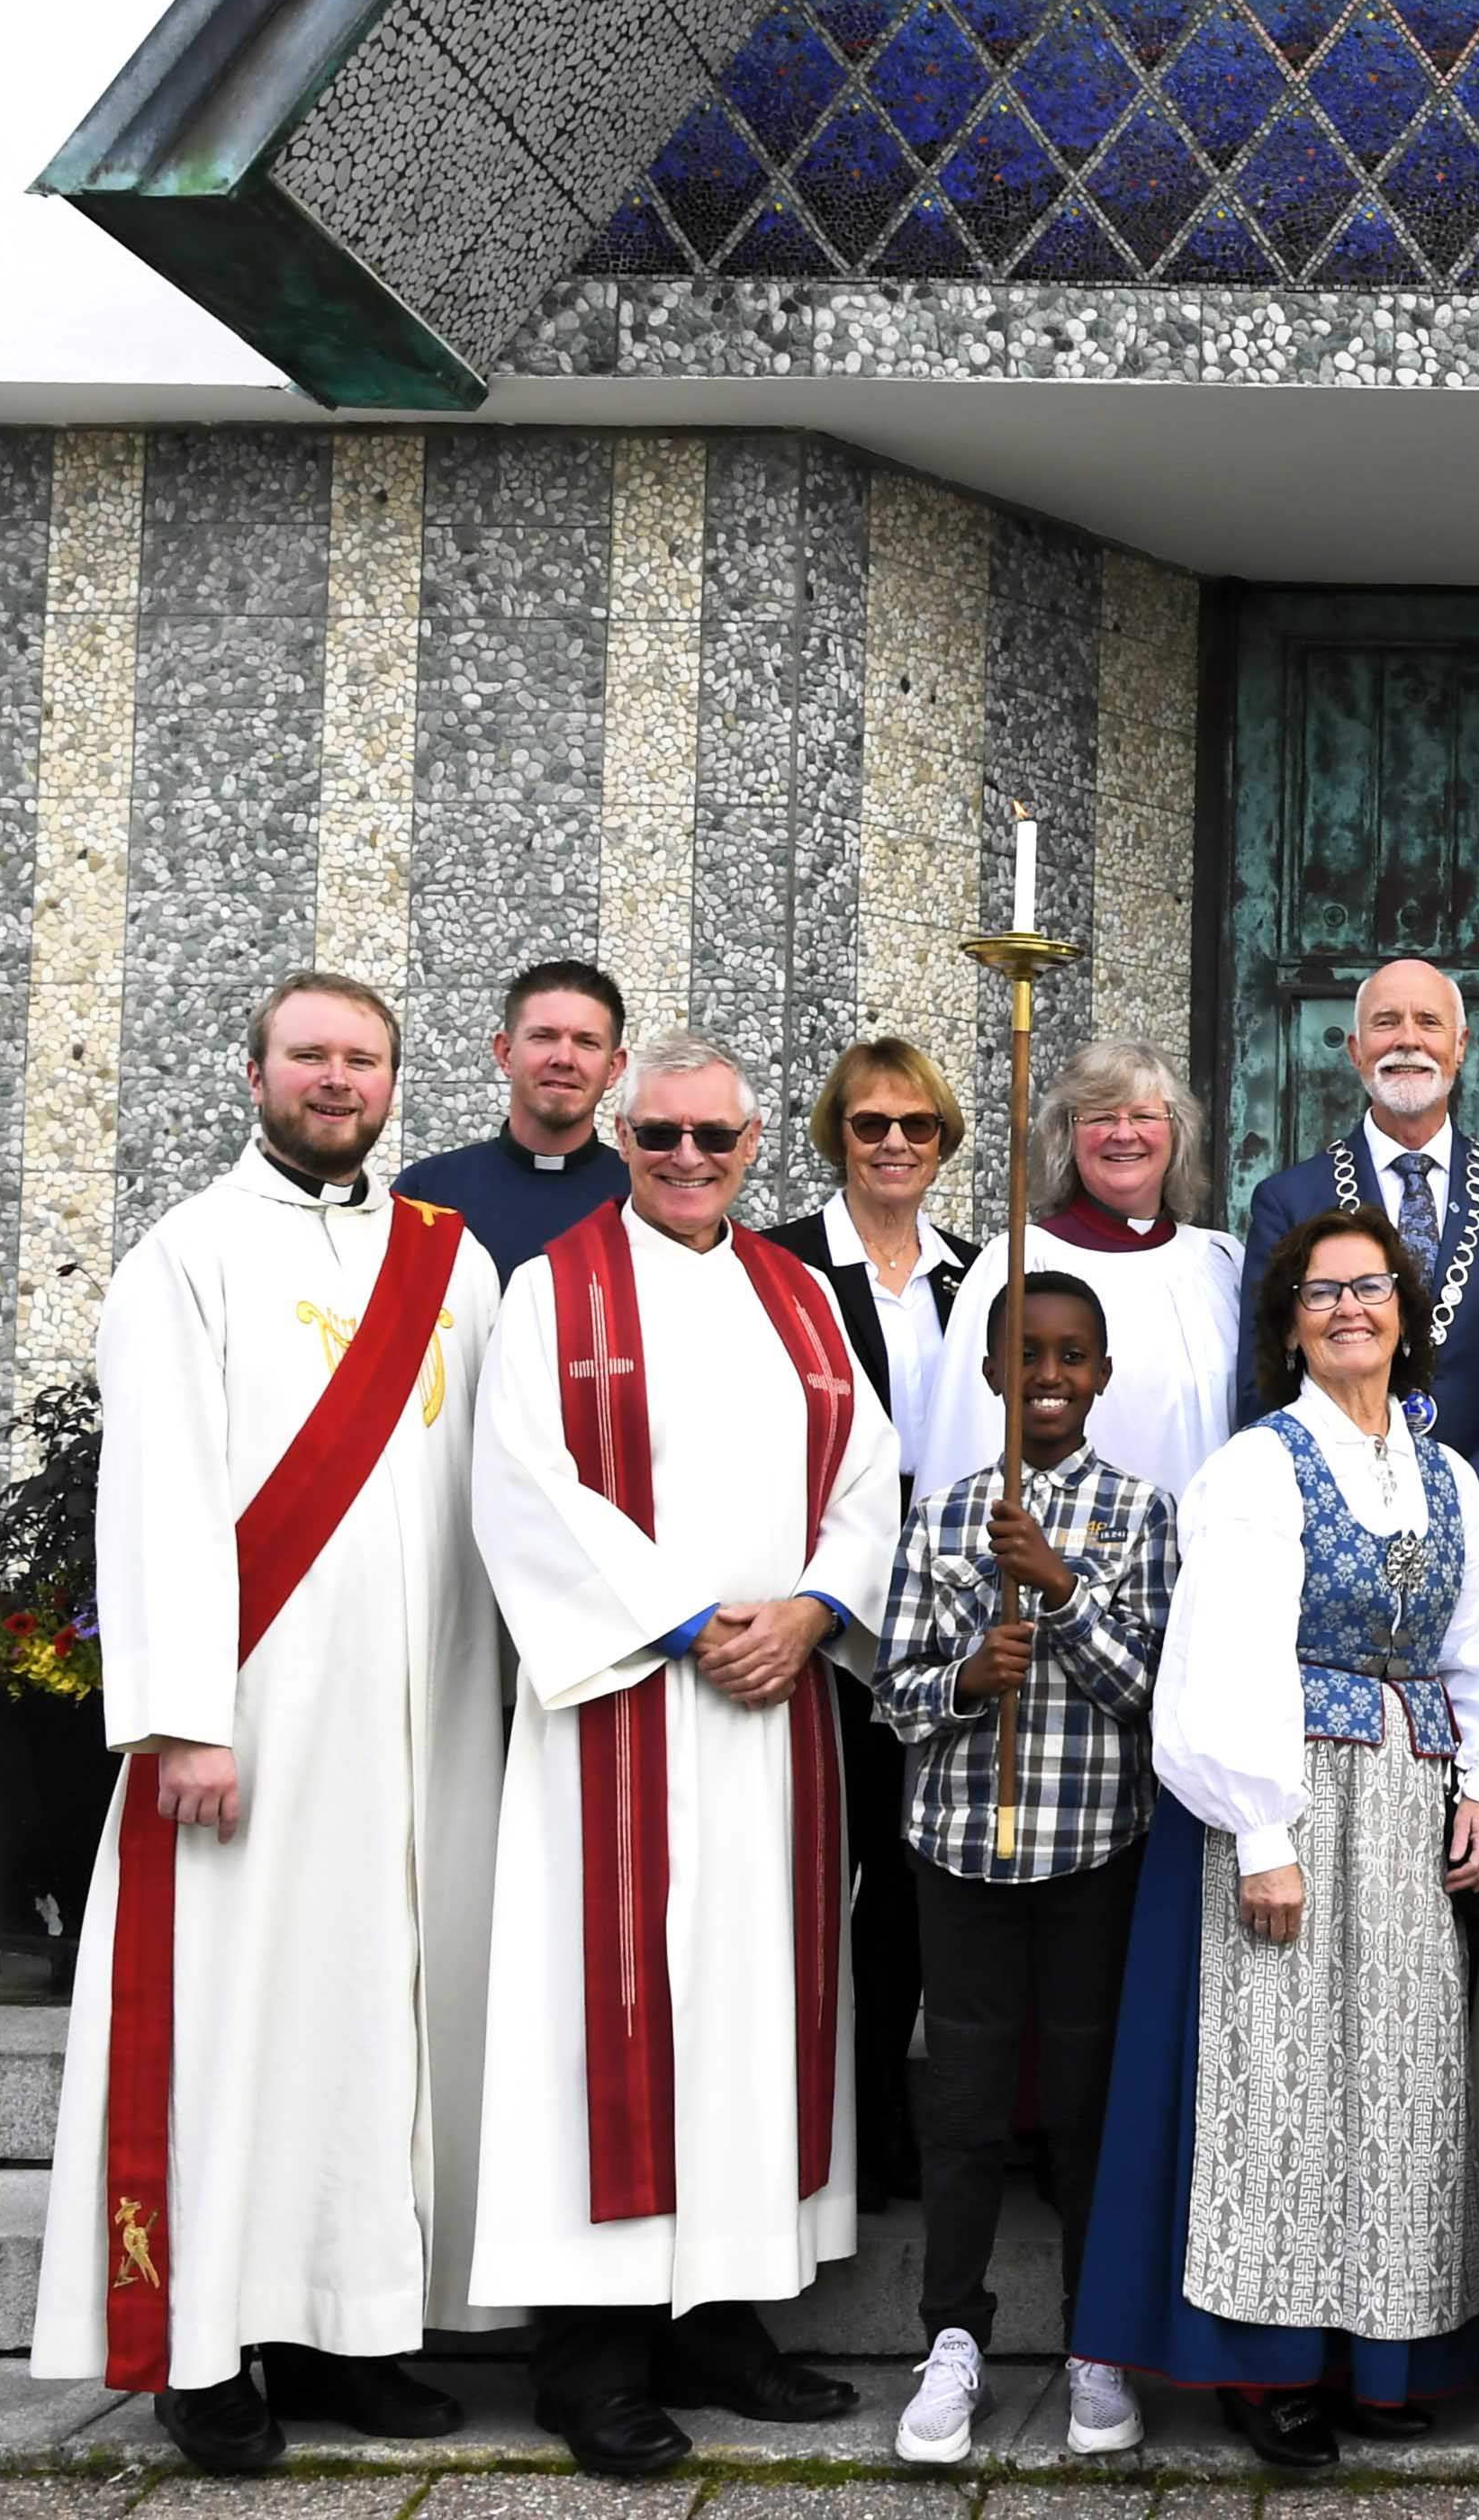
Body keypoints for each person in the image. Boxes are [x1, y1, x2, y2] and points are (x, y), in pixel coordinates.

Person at [30, 974, 507, 2472]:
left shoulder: (452, 1258)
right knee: (235, 2030)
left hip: (424, 1713)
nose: (337, 1079)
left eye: (362, 1059)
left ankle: (352, 2328)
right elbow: (156, 1495)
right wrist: (182, 1718)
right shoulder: (189, 1255)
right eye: (310, 1055)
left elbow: (504, 1480)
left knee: (371, 2026)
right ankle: (205, 2352)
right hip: (253, 1725)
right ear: (255, 1073)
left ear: (393, 1083)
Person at [467, 1030, 903, 2478]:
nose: (689, 1161)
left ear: (755, 1139)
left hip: (775, 1719)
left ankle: (721, 2320)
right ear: (624, 1137)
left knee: (746, 2007)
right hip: (620, 1720)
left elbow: (868, 1481)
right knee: (614, 2012)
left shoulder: (800, 1300)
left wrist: (812, 1610)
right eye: (660, 1137)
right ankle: (588, 2360)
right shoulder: (553, 1291)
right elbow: (519, 1484)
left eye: (714, 1139)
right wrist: (680, 1619)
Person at [1072, 1215, 1479, 2471]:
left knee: (1393, 2074)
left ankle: (1380, 2348)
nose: (1347, 1310)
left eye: (1369, 1288)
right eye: (1319, 1294)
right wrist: (1262, 1832)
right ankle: (1264, 2363)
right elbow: (1222, 1654)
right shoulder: (1257, 1468)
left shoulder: (1447, 1475)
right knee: (1275, 2075)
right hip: (1279, 1796)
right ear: (1285, 1327)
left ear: (1403, 1310)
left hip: (1405, 1798)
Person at [872, 1270, 1178, 2468]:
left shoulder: (1144, 1514)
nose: (1049, 1376)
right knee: (962, 2099)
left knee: (1085, 2100)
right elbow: (897, 1697)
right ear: (994, 1372)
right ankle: (951, 2334)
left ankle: (1094, 2340)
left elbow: (1153, 1693)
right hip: (963, 1850)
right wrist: (965, 1683)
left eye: (1072, 1356)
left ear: (1101, 1375)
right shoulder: (945, 1516)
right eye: (1028, 1356)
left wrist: (1056, 1595)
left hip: (1097, 1842)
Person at [762, 1039, 981, 2217]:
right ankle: (810, 2126)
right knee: (816, 1879)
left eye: (917, 1126)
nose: (893, 1144)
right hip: (824, 1624)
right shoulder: (781, 1269)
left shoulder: (973, 1276)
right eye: (868, 1125)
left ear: (945, 1143)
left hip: (939, 1634)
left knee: (908, 1885)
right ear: (833, 1137)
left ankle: (889, 2124)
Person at [1239, 958, 1479, 1606]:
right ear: (1356, 1050)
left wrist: (1473, 1497)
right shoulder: (1289, 1199)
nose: (1408, 1040)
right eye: (1386, 1024)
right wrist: (1323, 1503)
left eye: (1428, 1022)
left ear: (1461, 1045)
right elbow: (1264, 1378)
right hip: (1333, 1546)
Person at [923, 1040, 1241, 1506]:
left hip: (1206, 1553)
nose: (1123, 1133)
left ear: (1178, 1135)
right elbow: (967, 1433)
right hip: (1063, 1562)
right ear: (1066, 1138)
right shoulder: (1018, 1262)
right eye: (1100, 1117)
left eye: (1145, 1116)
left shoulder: (1221, 1262)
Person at [392, 959, 634, 1279]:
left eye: (586, 1042)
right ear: (506, 1053)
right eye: (543, 1036)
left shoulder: (640, 1196)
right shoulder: (426, 1193)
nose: (563, 1058)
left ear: (614, 1068)